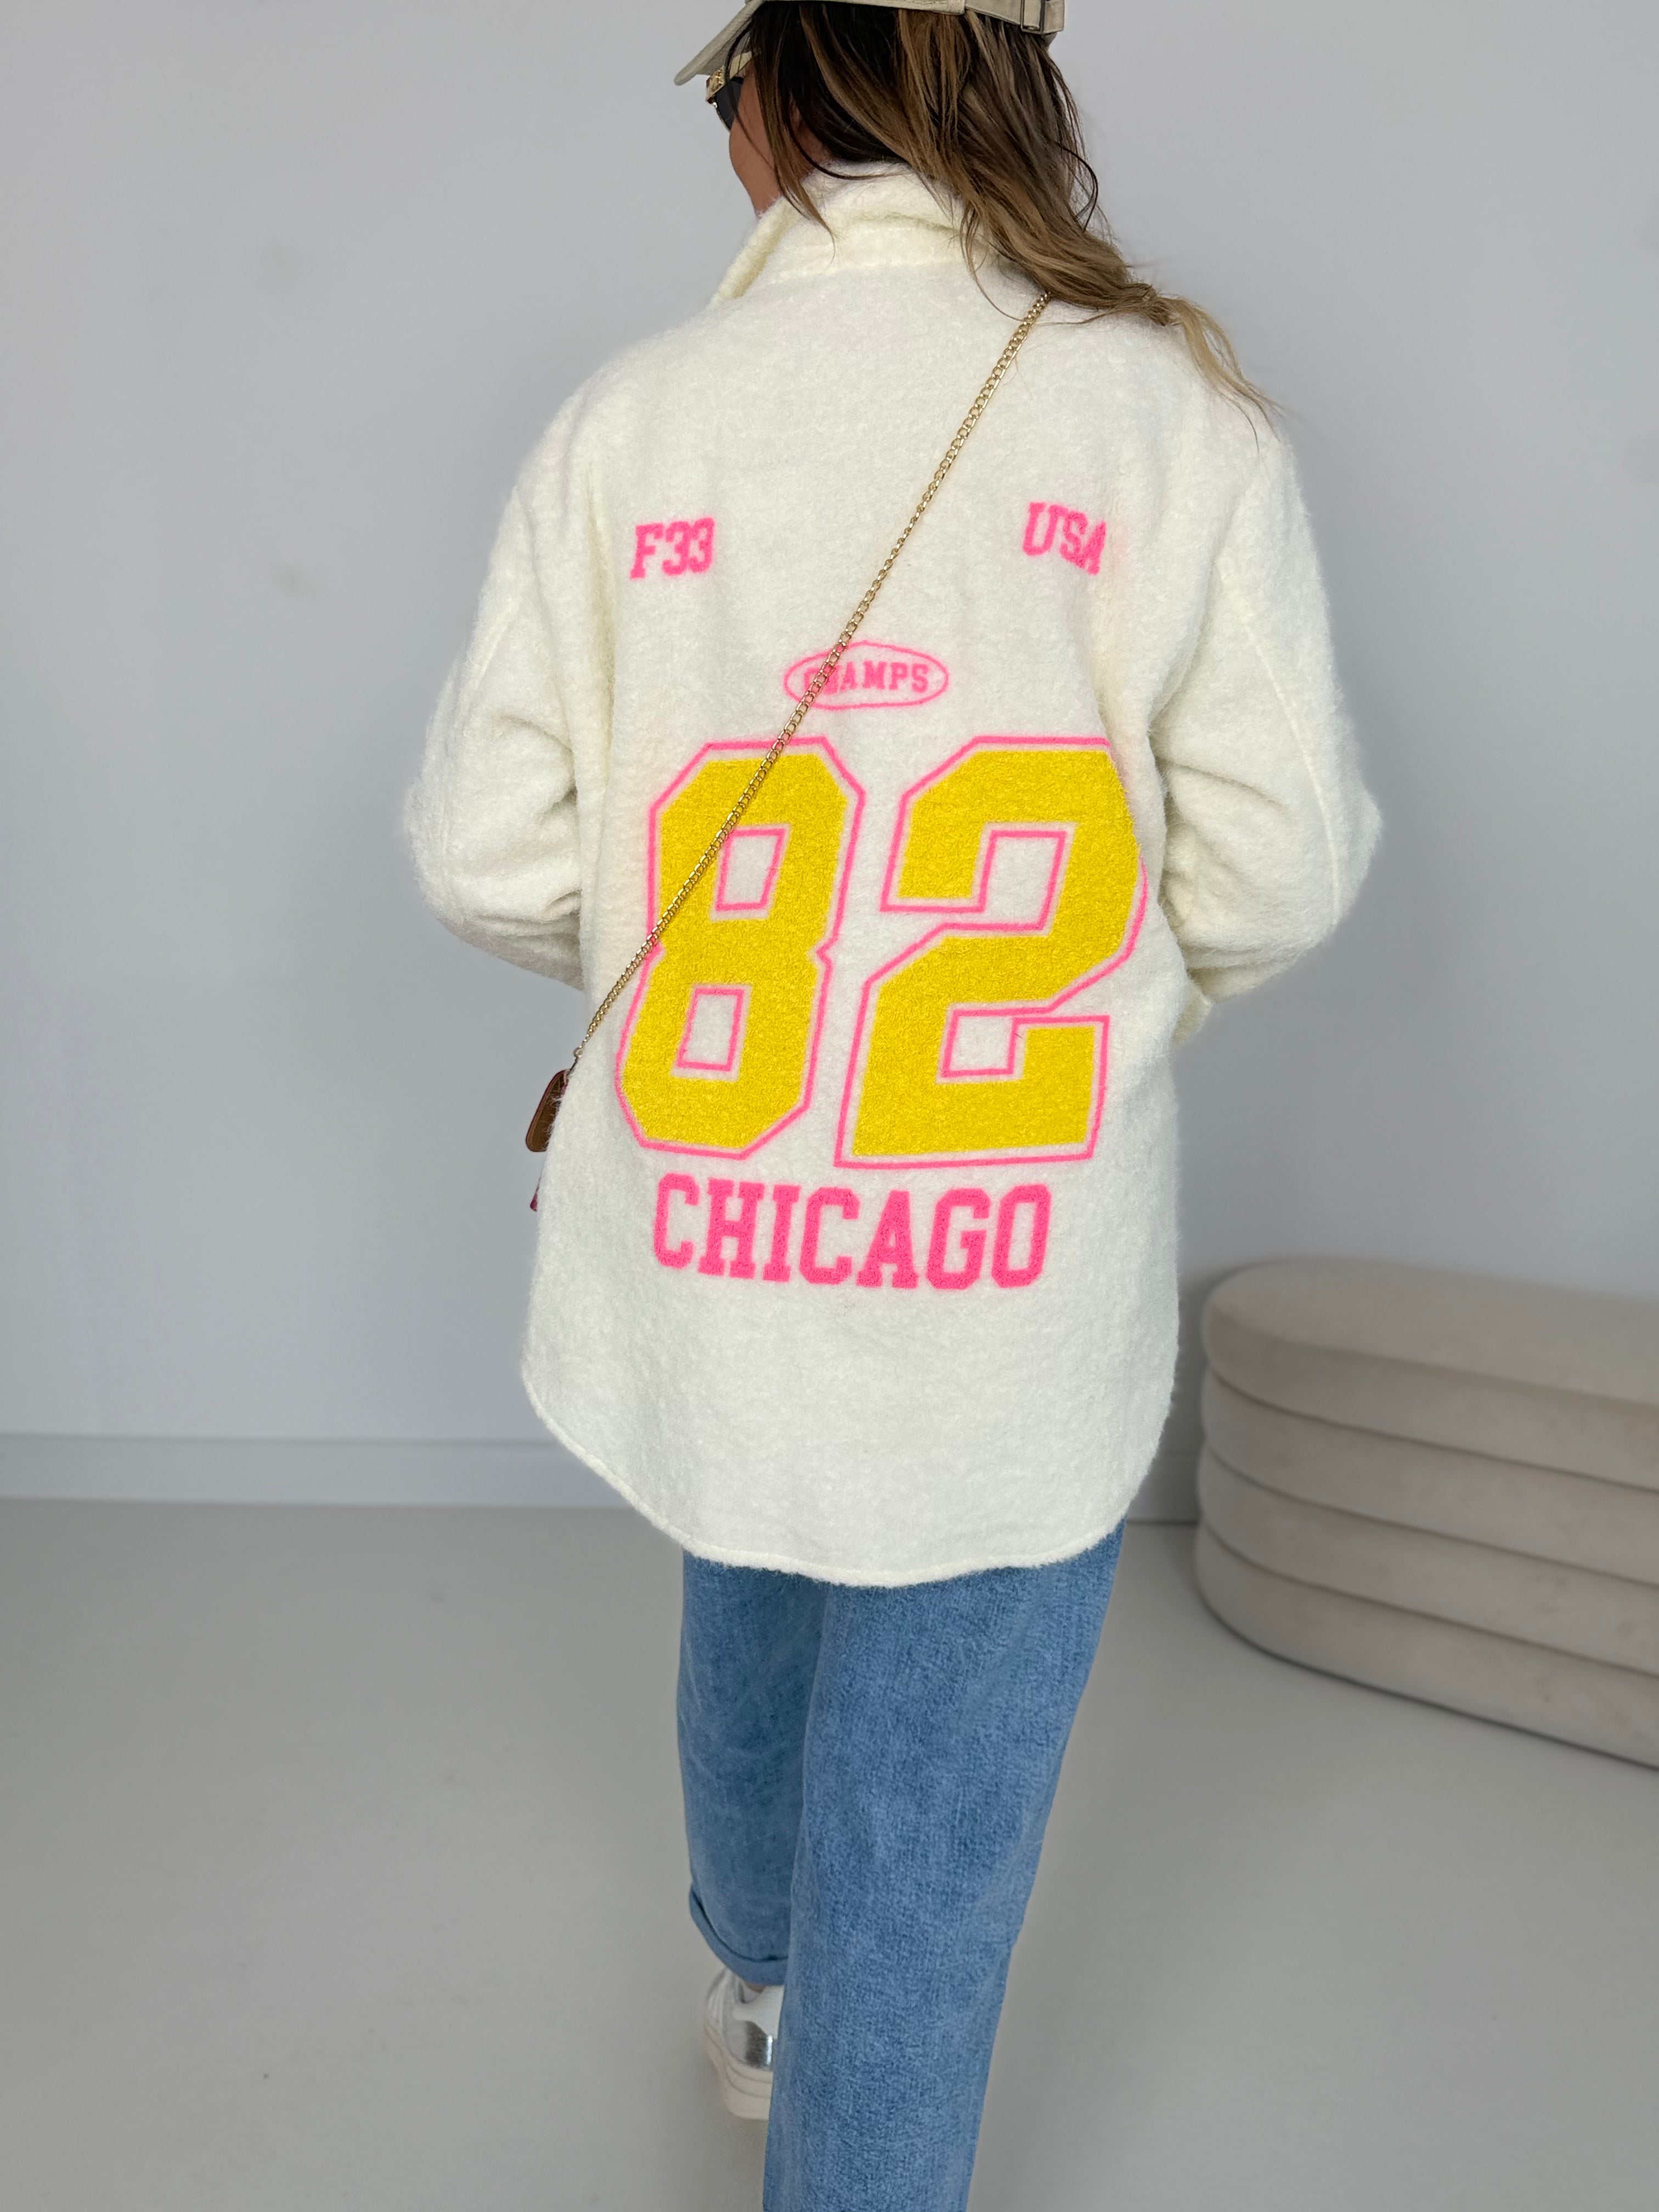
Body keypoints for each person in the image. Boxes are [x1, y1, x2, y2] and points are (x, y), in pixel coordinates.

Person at [407, 4, 1380, 2204]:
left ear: (779, 92)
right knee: (934, 1811)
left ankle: (758, 1983)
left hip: (716, 1221)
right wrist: (1099, 1025)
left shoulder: (634, 421)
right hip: (1013, 1257)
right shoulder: (1172, 416)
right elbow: (1279, 868)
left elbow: (485, 854)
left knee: (750, 1553)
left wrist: (698, 997)